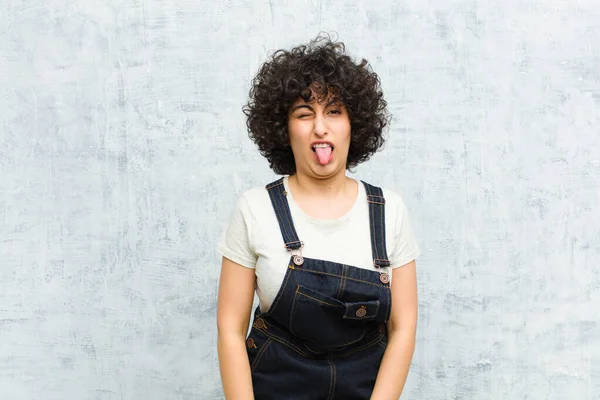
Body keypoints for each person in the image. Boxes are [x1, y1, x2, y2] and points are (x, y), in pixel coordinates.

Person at [216, 34, 420, 400]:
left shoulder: (390, 211)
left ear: (354, 124)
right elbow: (230, 330)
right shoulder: (254, 209)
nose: (320, 127)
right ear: (283, 129)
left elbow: (404, 328)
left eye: (334, 111)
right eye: (304, 114)